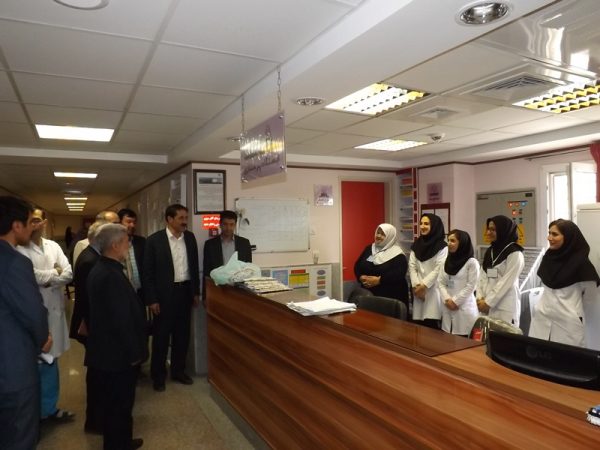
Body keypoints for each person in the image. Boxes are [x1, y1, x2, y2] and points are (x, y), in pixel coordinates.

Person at [85, 224, 146, 450]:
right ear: (115, 245)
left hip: (109, 352)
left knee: (119, 405)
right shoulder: (109, 275)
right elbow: (121, 320)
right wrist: (134, 353)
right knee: (118, 405)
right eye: (126, 242)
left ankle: (122, 441)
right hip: (117, 355)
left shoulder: (105, 268)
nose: (129, 246)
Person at [17, 208, 75, 423]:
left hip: (54, 311)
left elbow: (68, 273)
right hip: (32, 315)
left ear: (44, 223)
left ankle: (49, 409)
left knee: (52, 363)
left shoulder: (53, 246)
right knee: (33, 364)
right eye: (30, 220)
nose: (34, 224)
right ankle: (32, 413)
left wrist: (49, 278)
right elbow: (31, 276)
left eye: (37, 220)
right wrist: (54, 274)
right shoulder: (18, 248)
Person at [0, 196, 49, 450]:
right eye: (30, 222)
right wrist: (43, 338)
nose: (33, 228)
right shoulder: (15, 262)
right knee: (19, 435)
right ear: (16, 225)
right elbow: (33, 312)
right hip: (11, 366)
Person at [144, 204, 200, 392]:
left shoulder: (190, 238)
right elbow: (148, 274)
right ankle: (158, 376)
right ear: (169, 219)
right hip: (163, 296)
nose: (185, 221)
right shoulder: (154, 241)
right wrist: (152, 299)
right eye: (181, 218)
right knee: (161, 337)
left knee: (182, 336)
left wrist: (195, 292)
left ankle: (178, 371)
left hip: (185, 293)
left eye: (186, 217)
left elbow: (194, 267)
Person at [529, 219, 600, 347]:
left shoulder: (582, 265)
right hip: (541, 319)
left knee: (566, 358)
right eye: (549, 233)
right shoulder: (548, 258)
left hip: (568, 325)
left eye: (555, 234)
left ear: (568, 237)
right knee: (538, 355)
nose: (549, 237)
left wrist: (574, 313)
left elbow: (591, 299)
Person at [69, 220, 107, 435]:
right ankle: (95, 420)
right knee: (97, 375)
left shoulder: (92, 256)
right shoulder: (90, 261)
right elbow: (89, 301)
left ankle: (96, 419)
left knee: (97, 374)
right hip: (93, 327)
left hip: (94, 325)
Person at [476, 215, 524, 328]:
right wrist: (479, 298)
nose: (488, 232)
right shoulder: (490, 251)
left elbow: (506, 282)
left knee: (504, 338)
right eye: (488, 229)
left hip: (504, 307)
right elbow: (481, 277)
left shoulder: (515, 253)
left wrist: (488, 303)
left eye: (493, 230)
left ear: (503, 230)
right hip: (485, 306)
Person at [353, 223, 409, 306]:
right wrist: (360, 276)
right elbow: (358, 265)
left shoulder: (398, 254)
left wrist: (379, 280)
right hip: (368, 295)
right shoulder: (369, 248)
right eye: (378, 233)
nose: (378, 236)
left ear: (390, 236)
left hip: (390, 298)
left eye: (383, 234)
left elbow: (398, 274)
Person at [438, 229, 479, 336]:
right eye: (448, 240)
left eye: (453, 241)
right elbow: (440, 282)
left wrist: (455, 301)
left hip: (464, 310)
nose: (449, 243)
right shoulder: (445, 261)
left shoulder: (472, 263)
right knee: (447, 340)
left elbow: (471, 286)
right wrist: (447, 299)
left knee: (464, 342)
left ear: (462, 243)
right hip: (447, 308)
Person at [409, 213, 447, 329]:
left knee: (433, 326)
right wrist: (416, 286)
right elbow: (412, 266)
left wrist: (423, 286)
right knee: (419, 327)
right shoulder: (416, 245)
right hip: (418, 292)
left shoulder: (443, 247)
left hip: (434, 291)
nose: (422, 226)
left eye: (426, 224)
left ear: (434, 226)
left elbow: (439, 269)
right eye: (421, 223)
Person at [203, 210, 252, 280]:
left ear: (235, 225)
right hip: (217, 284)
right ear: (220, 224)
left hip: (239, 284)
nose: (228, 228)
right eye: (225, 224)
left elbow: (249, 268)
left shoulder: (244, 243)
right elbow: (207, 271)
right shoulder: (210, 245)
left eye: (231, 224)